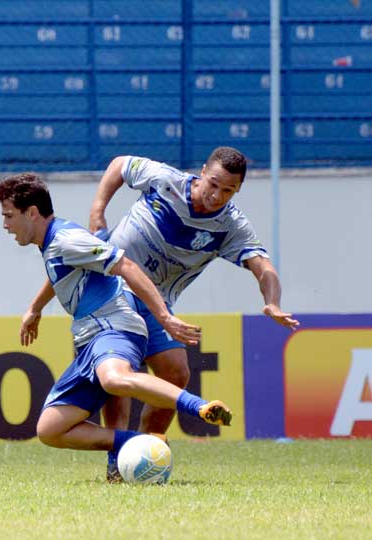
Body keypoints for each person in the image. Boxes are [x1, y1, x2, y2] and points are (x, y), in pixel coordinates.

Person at [22, 147, 299, 481]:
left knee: (176, 371)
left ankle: (148, 452)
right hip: (114, 291)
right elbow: (119, 165)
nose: (217, 195)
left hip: (158, 302)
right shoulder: (165, 180)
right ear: (201, 172)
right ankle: (119, 459)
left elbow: (263, 266)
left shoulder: (229, 226)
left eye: (229, 190)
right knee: (117, 376)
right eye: (214, 184)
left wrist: (273, 302)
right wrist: (98, 211)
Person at [0, 173, 232, 460]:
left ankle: (199, 407)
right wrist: (35, 308)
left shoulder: (67, 239)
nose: (5, 226)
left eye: (8, 216)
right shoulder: (55, 241)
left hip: (115, 326)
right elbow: (62, 272)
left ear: (32, 213)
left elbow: (126, 265)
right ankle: (140, 445)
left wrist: (164, 317)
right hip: (90, 338)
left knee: (114, 379)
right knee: (50, 429)